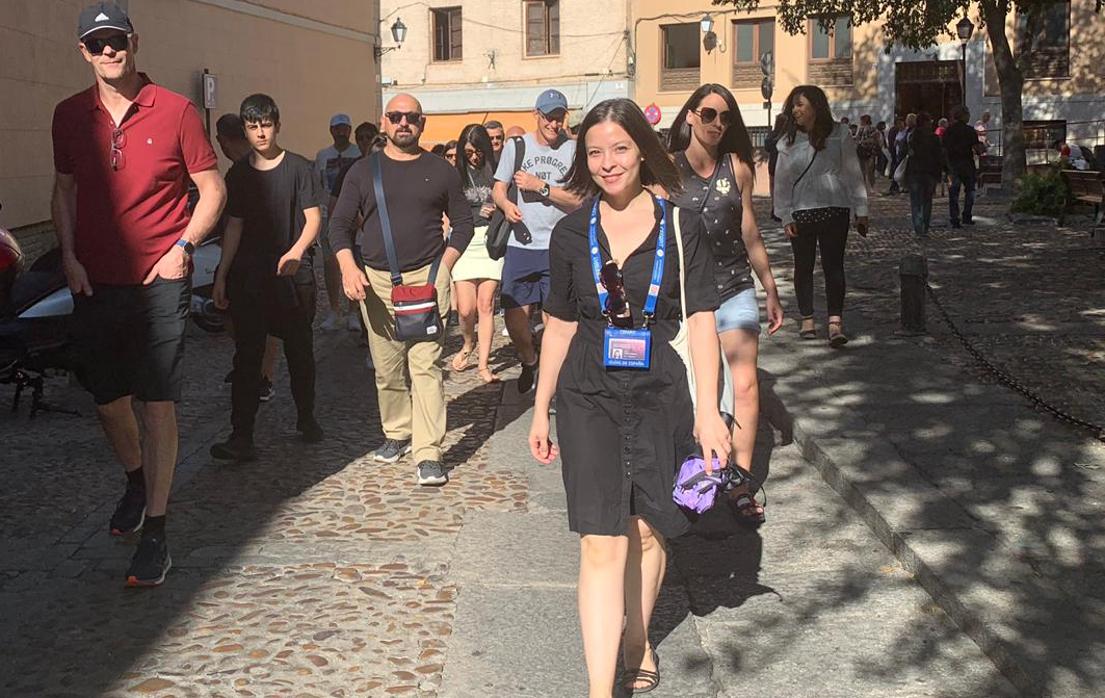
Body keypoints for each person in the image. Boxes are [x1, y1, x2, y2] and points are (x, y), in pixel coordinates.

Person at [529, 97, 731, 698]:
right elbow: (559, 324)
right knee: (600, 537)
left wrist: (708, 413)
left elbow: (700, 322)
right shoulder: (570, 233)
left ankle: (638, 639)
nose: (608, 163)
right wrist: (541, 408)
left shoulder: (680, 224)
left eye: (619, 148)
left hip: (657, 392)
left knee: (646, 531)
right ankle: (599, 689)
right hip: (587, 390)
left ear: (642, 149)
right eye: (594, 152)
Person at [52, 2, 226, 586]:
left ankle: (156, 531)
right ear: (82, 50)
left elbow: (211, 189)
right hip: (96, 279)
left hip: (160, 280)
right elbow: (64, 191)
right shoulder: (69, 116)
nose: (108, 51)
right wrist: (70, 257)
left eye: (116, 40)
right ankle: (135, 479)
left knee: (157, 404)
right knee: (108, 401)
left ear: (134, 42)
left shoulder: (176, 111)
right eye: (96, 43)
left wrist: (184, 248)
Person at [330, 93, 474, 486]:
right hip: (377, 282)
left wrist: (444, 268)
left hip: (427, 279)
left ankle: (429, 452)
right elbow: (339, 224)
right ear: (384, 122)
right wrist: (347, 266)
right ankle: (398, 432)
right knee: (387, 367)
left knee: (425, 366)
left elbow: (463, 224)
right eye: (396, 116)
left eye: (411, 117)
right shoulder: (362, 171)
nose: (403, 123)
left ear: (422, 123)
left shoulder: (441, 171)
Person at [668, 83, 785, 527]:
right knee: (696, 388)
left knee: (746, 386)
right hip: (687, 296)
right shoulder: (667, 170)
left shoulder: (737, 168)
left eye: (726, 117)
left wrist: (770, 287)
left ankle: (739, 482)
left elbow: (750, 232)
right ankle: (698, 471)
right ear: (691, 117)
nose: (718, 123)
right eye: (710, 114)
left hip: (734, 285)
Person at [209, 94, 323, 461]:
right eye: (253, 126)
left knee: (300, 354)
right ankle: (241, 436)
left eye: (266, 125)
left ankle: (306, 418)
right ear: (245, 128)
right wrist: (222, 274)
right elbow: (234, 226)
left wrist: (296, 251)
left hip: (292, 278)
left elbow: (313, 218)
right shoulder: (238, 174)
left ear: (277, 124)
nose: (260, 133)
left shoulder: (299, 168)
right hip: (250, 280)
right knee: (246, 358)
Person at [492, 89, 582, 393]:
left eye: (559, 118)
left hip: (558, 246)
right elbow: (498, 188)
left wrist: (540, 186)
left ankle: (552, 381)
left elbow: (578, 201)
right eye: (549, 117)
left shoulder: (572, 151)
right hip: (521, 244)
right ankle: (530, 360)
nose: (554, 124)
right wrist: (506, 206)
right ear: (537, 115)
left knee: (556, 321)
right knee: (515, 318)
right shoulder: (516, 147)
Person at [774, 85, 869, 348]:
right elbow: (782, 183)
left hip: (834, 208)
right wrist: (784, 215)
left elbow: (853, 173)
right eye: (793, 105)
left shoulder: (839, 134)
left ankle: (835, 321)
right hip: (801, 211)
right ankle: (807, 317)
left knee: (833, 266)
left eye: (800, 104)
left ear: (816, 106)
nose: (795, 110)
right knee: (803, 266)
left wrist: (862, 210)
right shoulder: (787, 142)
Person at [215, 114, 280, 402]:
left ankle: (263, 375)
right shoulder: (238, 170)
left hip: (260, 254)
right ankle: (251, 364)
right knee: (233, 313)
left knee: (264, 319)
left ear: (223, 141)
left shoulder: (250, 169)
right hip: (246, 254)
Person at [449, 124, 503, 383]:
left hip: (491, 242)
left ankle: (483, 364)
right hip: (465, 240)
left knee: (486, 305)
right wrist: (475, 213)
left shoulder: (496, 171)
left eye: (478, 151)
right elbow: (450, 210)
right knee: (465, 308)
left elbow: (507, 200)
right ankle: (468, 343)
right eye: (469, 151)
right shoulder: (455, 174)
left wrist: (497, 210)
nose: (474, 156)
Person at [315, 113, 362, 332]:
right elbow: (317, 185)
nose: (341, 132)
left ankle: (353, 311)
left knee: (355, 262)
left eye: (345, 128)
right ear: (331, 130)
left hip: (355, 216)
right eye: (337, 128)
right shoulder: (322, 155)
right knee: (330, 263)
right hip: (328, 214)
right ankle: (334, 309)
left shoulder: (358, 153)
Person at [943, 105, 982, 228]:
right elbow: (978, 150)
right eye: (968, 114)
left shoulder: (948, 131)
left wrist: (944, 166)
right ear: (964, 116)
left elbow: (943, 149)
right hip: (967, 165)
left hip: (951, 166)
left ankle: (954, 218)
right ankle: (967, 215)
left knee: (953, 193)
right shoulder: (970, 131)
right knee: (970, 190)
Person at [904, 113, 942, 238]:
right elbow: (939, 157)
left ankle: (919, 228)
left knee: (916, 202)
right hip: (929, 173)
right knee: (927, 201)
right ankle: (924, 227)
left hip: (915, 172)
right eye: (930, 121)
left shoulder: (912, 137)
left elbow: (907, 153)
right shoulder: (933, 138)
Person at [764, 113, 786, 222]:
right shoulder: (786, 135)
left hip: (773, 164)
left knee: (773, 188)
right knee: (782, 188)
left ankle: (775, 209)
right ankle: (781, 210)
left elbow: (767, 147)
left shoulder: (772, 135)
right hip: (783, 164)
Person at [854, 114, 882, 194]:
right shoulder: (861, 129)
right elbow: (857, 138)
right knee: (866, 170)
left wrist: (862, 141)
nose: (861, 122)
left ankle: (870, 187)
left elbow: (875, 139)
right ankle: (866, 187)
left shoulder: (872, 129)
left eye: (862, 120)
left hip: (868, 151)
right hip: (864, 151)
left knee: (869, 170)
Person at [885, 116, 905, 194]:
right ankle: (894, 186)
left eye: (901, 124)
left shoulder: (905, 131)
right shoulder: (894, 131)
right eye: (899, 124)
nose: (900, 125)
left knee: (898, 170)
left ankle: (897, 186)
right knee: (896, 170)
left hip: (901, 154)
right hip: (896, 154)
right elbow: (892, 142)